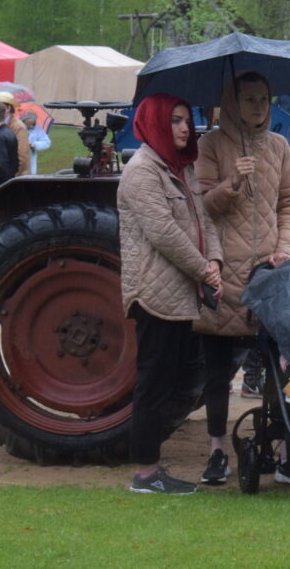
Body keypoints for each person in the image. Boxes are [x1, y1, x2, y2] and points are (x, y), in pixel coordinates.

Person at [194, 71, 290, 486]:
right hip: (224, 271)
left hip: (268, 274)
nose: (258, 106)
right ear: (231, 102)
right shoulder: (210, 144)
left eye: (264, 99)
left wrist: (285, 249)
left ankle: (280, 449)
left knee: (278, 367)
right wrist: (233, 182)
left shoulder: (278, 146)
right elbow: (203, 206)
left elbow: (288, 204)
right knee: (218, 371)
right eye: (249, 99)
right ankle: (218, 450)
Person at [118, 93, 223, 495]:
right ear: (156, 123)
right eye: (176, 121)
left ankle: (152, 467)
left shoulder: (181, 167)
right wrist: (204, 270)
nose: (185, 128)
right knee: (155, 383)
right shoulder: (142, 171)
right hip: (154, 294)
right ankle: (145, 474)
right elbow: (164, 233)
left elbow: (203, 220)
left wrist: (214, 260)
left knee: (174, 381)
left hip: (181, 293)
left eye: (187, 120)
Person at [0, 92, 30, 176]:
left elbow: (22, 157)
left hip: (15, 178)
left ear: (8, 108)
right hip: (0, 177)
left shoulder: (18, 127)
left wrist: (12, 179)